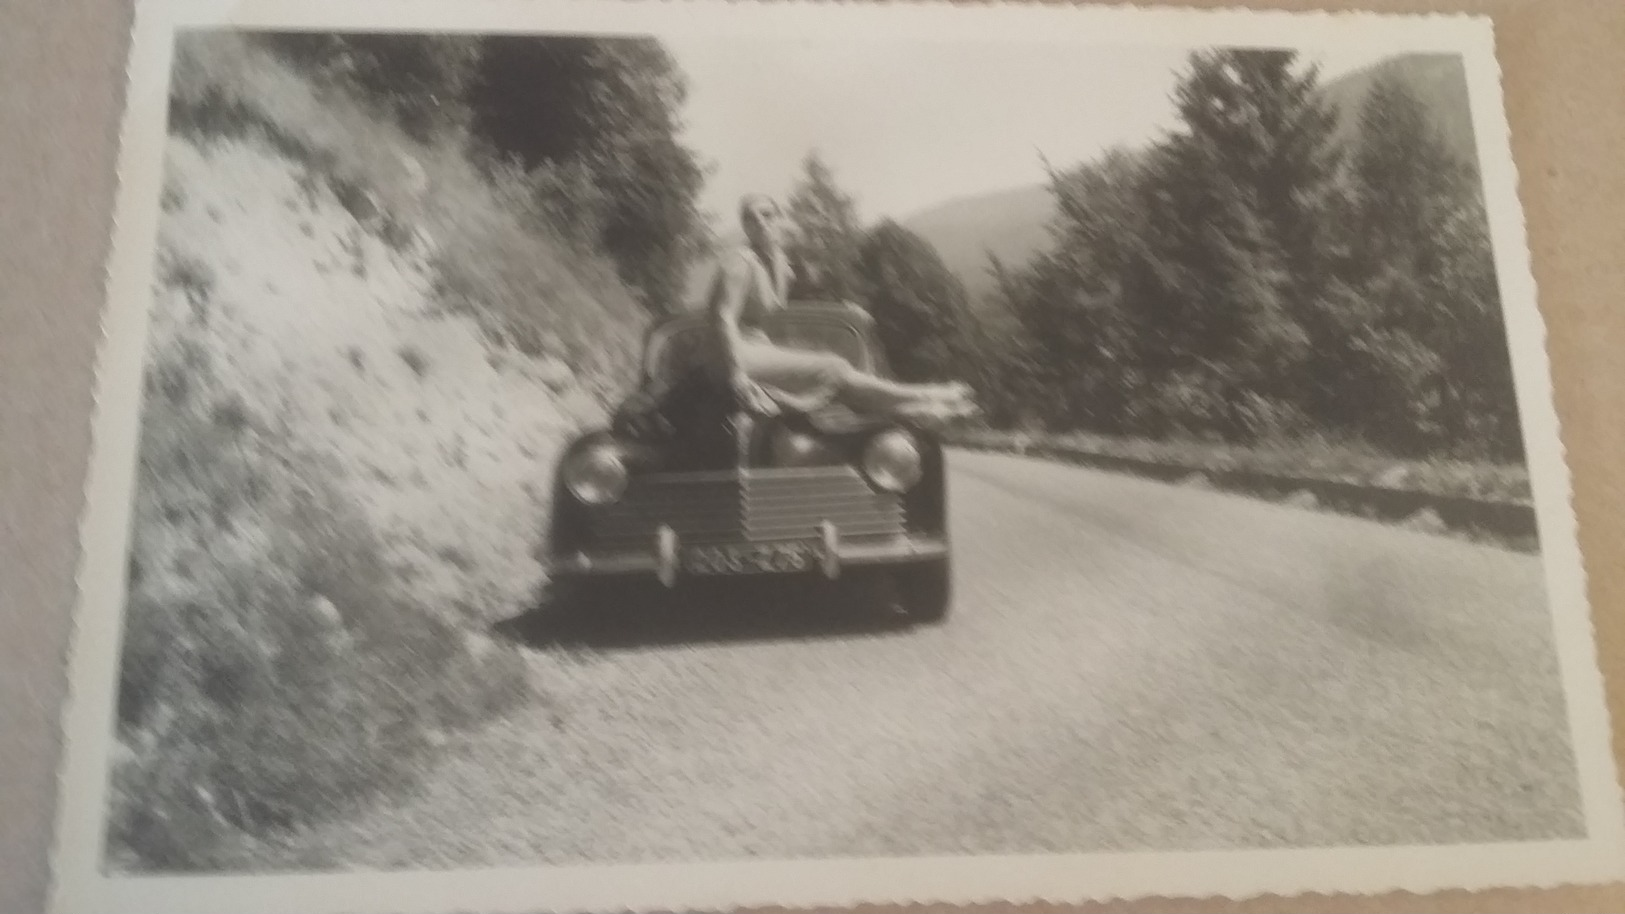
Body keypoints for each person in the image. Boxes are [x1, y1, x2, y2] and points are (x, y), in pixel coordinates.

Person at [698, 192, 978, 425]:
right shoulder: (739, 261)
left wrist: (848, 306)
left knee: (838, 378)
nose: (759, 222)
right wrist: (737, 373)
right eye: (750, 218)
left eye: (767, 215)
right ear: (745, 227)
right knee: (832, 367)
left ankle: (912, 409)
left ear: (780, 220)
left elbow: (804, 292)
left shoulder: (780, 265)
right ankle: (925, 396)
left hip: (759, 348)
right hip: (731, 355)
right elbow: (723, 317)